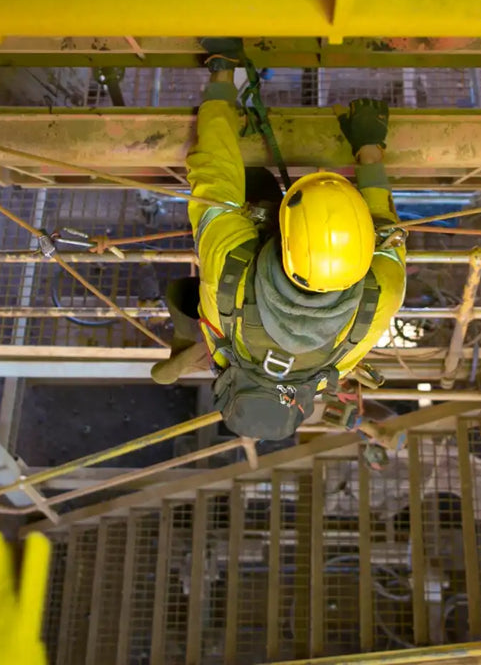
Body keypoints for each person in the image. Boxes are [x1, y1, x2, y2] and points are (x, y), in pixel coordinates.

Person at [149, 39, 406, 441]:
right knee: (243, 188)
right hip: (241, 266)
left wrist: (368, 148)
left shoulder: (379, 300)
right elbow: (211, 176)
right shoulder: (229, 280)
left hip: (252, 242)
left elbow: (387, 231)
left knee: (248, 186)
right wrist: (222, 75)